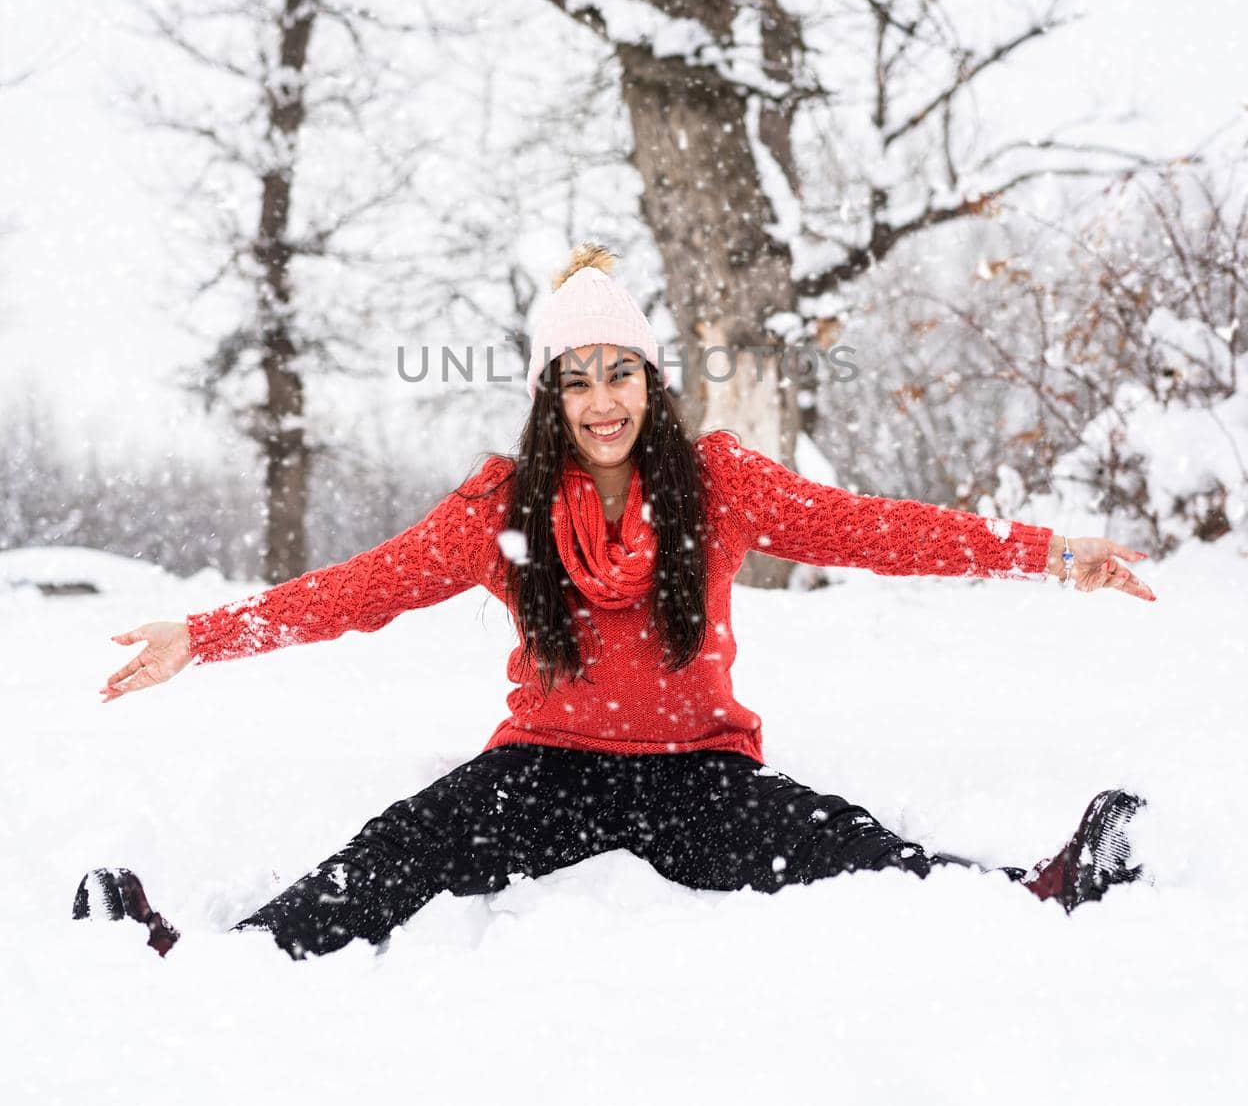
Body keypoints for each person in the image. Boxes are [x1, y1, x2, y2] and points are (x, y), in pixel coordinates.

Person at [74, 244, 1157, 962]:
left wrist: (1053, 551)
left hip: (698, 775)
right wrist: (204, 635)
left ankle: (1036, 890)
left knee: (843, 845)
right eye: (578, 378)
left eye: (620, 373)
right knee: (397, 849)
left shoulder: (721, 481)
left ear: (652, 379)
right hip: (544, 771)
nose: (602, 401)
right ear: (551, 391)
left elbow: (881, 530)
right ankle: (207, 958)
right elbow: (358, 589)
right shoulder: (503, 504)